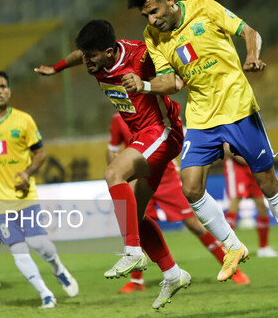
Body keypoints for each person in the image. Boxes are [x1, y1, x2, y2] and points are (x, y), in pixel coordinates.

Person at [124, 0, 278, 294]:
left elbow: (250, 32)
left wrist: (251, 55)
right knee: (191, 187)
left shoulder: (205, 8)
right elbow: (173, 83)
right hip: (201, 117)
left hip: (238, 107)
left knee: (267, 184)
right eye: (146, 17)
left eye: (154, 11)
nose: (152, 20)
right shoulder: (152, 37)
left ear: (169, 1)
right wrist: (142, 86)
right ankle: (233, 245)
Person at [35, 20, 191, 309]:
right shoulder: (95, 59)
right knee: (138, 215)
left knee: (113, 172)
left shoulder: (141, 56)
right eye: (84, 55)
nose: (85, 61)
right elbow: (77, 56)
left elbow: (175, 80)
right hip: (144, 137)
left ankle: (131, 250)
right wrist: (55, 68)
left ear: (109, 52)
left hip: (163, 131)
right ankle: (173, 273)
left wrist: (146, 83)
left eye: (90, 56)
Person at [0, 70, 78, 308]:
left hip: (25, 196)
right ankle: (45, 294)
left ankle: (58, 268)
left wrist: (28, 173)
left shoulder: (24, 120)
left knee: (39, 245)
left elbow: (40, 152)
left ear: (9, 91)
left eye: (3, 86)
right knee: (18, 250)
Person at [107, 113, 250, 292]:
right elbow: (112, 149)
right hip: (138, 176)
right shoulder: (118, 118)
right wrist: (119, 175)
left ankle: (233, 268)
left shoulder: (150, 106)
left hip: (165, 176)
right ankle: (137, 282)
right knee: (138, 223)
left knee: (194, 225)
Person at [223, 143, 278, 258]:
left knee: (261, 204)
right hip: (236, 165)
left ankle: (264, 247)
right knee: (234, 203)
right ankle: (227, 248)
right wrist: (243, 158)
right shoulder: (228, 125)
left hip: (252, 166)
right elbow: (226, 148)